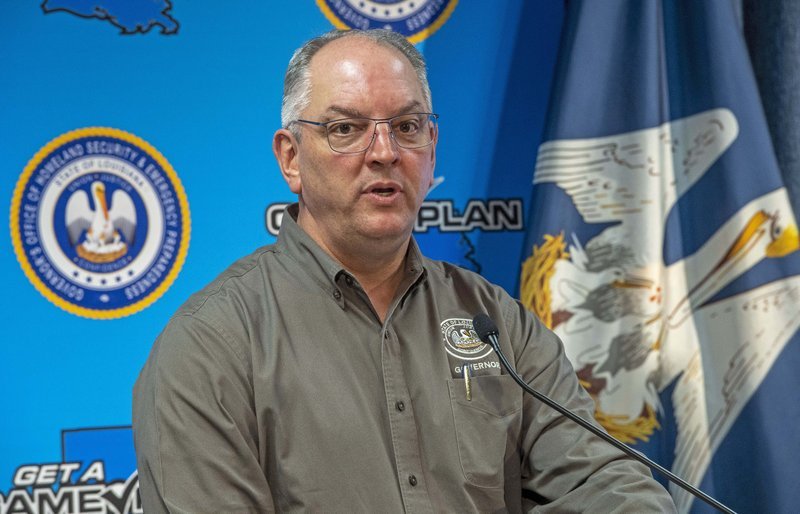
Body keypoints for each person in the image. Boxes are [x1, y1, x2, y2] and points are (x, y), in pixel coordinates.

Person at [132, 29, 677, 513]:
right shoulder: (210, 346)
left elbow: (600, 479)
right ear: (291, 158)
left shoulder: (496, 323)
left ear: (432, 147)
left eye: (407, 125)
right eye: (346, 129)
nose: (385, 151)